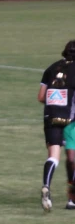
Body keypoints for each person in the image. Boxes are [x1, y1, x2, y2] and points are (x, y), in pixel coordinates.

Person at [38, 41, 75, 212]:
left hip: (51, 116)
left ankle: (46, 185)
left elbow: (41, 97)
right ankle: (72, 200)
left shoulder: (51, 68)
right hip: (70, 118)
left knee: (53, 156)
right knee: (73, 158)